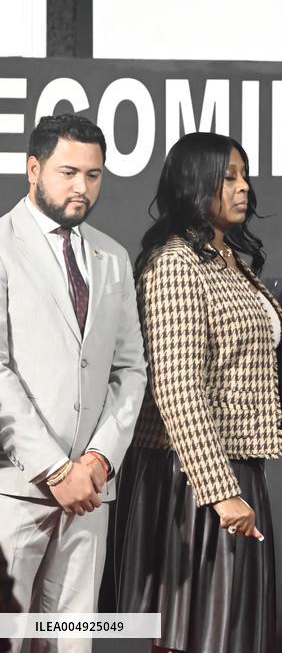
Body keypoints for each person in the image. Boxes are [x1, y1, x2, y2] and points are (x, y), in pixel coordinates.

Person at [113, 132, 282, 653]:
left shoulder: (230, 261)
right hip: (190, 479)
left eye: (244, 175)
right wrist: (220, 491)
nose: (244, 187)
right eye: (229, 178)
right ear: (194, 185)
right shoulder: (176, 263)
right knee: (190, 634)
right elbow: (177, 390)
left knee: (231, 633)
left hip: (235, 467)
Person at [0, 114, 147, 653]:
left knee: (72, 643)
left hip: (90, 495)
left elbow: (130, 369)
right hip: (15, 489)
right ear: (33, 169)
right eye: (68, 172)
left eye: (94, 175)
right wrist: (55, 468)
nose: (82, 188)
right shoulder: (1, 244)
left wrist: (99, 461)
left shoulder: (112, 257)